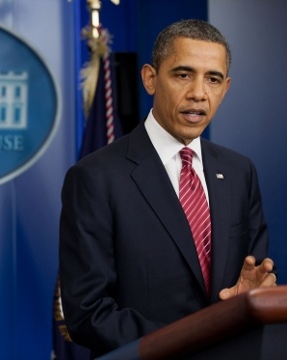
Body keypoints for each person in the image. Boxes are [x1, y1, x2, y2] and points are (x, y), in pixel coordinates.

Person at [59, 19, 277, 358]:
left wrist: (248, 302)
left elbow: (254, 277)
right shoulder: (95, 177)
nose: (198, 93)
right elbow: (88, 313)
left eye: (213, 79)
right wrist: (197, 338)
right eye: (183, 75)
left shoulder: (239, 171)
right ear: (150, 79)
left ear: (226, 88)